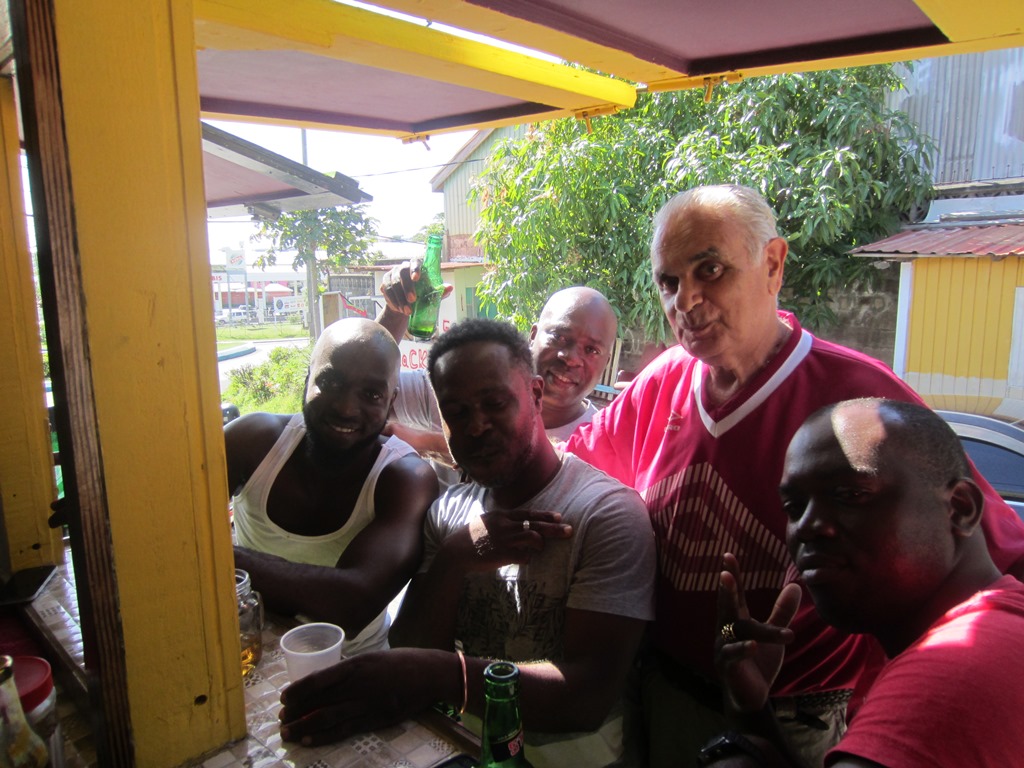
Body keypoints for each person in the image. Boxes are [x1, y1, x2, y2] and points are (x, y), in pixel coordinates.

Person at [562, 184, 1024, 766]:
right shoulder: (665, 379)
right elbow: (579, 468)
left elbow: (999, 550)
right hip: (664, 688)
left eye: (710, 269)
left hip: (797, 717)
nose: (687, 299)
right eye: (669, 281)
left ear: (773, 264)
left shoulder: (860, 399)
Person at [278, 319, 657, 767]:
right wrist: (457, 557)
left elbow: (586, 698)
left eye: (495, 403)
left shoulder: (606, 514)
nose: (476, 426)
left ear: (535, 395)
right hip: (459, 749)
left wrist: (443, 676)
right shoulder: (449, 511)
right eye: (456, 411)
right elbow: (412, 646)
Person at [703, 398, 1024, 767]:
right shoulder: (917, 638)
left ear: (960, 508)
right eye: (794, 508)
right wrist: (753, 709)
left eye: (851, 495)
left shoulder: (955, 667)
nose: (807, 526)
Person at [226, 318, 439, 656]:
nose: (346, 408)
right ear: (306, 379)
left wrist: (220, 560)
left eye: (371, 394)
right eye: (331, 382)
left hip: (353, 668)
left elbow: (352, 604)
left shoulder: (404, 478)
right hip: (248, 650)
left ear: (391, 399)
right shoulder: (254, 442)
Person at [377, 270, 618, 477]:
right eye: (559, 337)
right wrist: (396, 312)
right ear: (532, 336)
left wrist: (433, 444)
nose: (572, 358)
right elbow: (362, 389)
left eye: (591, 350)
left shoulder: (605, 445)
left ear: (606, 362)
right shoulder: (458, 387)